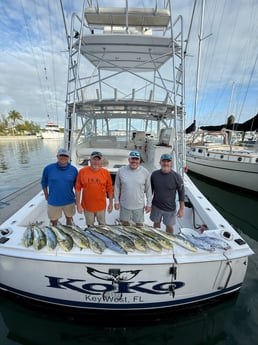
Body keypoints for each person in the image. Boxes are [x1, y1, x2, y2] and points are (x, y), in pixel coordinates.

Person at [41, 148, 78, 226]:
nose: (63, 157)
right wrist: (46, 195)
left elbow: (76, 186)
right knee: (53, 220)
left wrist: (77, 200)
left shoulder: (74, 170)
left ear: (68, 157)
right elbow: (43, 183)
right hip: (54, 200)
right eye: (61, 155)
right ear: (57, 156)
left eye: (65, 156)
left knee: (69, 218)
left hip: (69, 200)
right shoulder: (48, 168)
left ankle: (70, 231)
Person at [114, 150, 152, 227]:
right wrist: (116, 202)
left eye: (136, 159)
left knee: (139, 225)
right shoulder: (121, 171)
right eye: (132, 159)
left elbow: (148, 189)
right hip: (124, 205)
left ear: (139, 160)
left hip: (139, 206)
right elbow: (117, 187)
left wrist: (149, 204)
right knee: (124, 223)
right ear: (129, 159)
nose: (134, 161)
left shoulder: (145, 172)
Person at [75, 151, 113, 227]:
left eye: (98, 159)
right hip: (87, 206)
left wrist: (111, 204)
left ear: (101, 161)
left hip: (101, 206)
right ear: (90, 160)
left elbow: (110, 189)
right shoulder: (82, 172)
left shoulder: (106, 172)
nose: (96, 162)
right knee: (90, 226)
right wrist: (78, 204)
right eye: (94, 159)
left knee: (102, 225)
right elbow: (78, 189)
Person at [150, 153, 185, 233]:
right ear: (160, 162)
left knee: (169, 226)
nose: (166, 163)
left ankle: (170, 239)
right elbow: (150, 191)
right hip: (156, 206)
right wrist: (149, 204)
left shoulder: (177, 177)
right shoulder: (154, 174)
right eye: (163, 161)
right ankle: (156, 237)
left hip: (170, 209)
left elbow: (181, 193)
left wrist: (181, 209)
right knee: (156, 223)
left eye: (168, 161)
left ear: (171, 163)